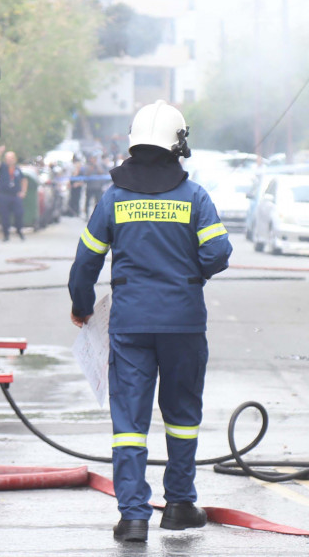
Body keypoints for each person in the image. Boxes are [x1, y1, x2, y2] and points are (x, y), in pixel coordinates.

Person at [67, 100, 232, 542]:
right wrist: (189, 275)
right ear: (178, 144)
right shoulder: (194, 196)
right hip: (183, 324)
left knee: (130, 423)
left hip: (131, 325)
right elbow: (218, 253)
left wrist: (82, 306)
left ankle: (134, 516)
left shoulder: (115, 198)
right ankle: (179, 505)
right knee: (181, 417)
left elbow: (85, 262)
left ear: (134, 143)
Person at [0, 145, 28, 241]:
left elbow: (24, 180)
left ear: (15, 159)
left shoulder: (18, 169)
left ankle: (19, 230)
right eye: (7, 158)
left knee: (19, 213)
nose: (9, 160)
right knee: (4, 216)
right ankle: (6, 235)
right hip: (4, 195)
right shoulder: (2, 167)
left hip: (15, 195)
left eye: (11, 158)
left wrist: (23, 191)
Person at [82, 152, 107, 217]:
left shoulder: (99, 165)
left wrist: (96, 165)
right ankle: (86, 215)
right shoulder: (87, 166)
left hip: (98, 187)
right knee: (87, 202)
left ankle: (97, 215)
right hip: (90, 187)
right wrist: (91, 168)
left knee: (97, 202)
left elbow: (101, 172)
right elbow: (86, 175)